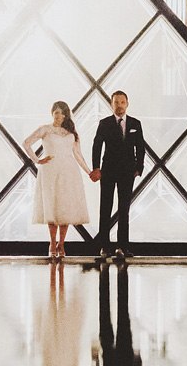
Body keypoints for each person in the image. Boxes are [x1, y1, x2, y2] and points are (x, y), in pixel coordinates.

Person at [23, 101, 90, 259]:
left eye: (63, 113)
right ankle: (53, 243)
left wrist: (89, 172)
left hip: (68, 170)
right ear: (52, 112)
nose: (60, 116)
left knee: (64, 206)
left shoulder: (71, 132)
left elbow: (78, 154)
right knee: (52, 205)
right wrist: (37, 160)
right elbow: (26, 143)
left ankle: (62, 243)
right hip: (50, 170)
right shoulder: (45, 129)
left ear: (67, 115)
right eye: (57, 112)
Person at [90, 89, 145, 260]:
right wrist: (96, 167)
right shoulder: (104, 123)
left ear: (127, 104)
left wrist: (139, 167)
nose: (119, 106)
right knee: (105, 208)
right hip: (108, 170)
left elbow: (141, 147)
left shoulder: (136, 124)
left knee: (124, 209)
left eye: (122, 102)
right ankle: (104, 247)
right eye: (116, 102)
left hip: (128, 172)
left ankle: (122, 247)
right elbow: (97, 146)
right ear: (111, 104)